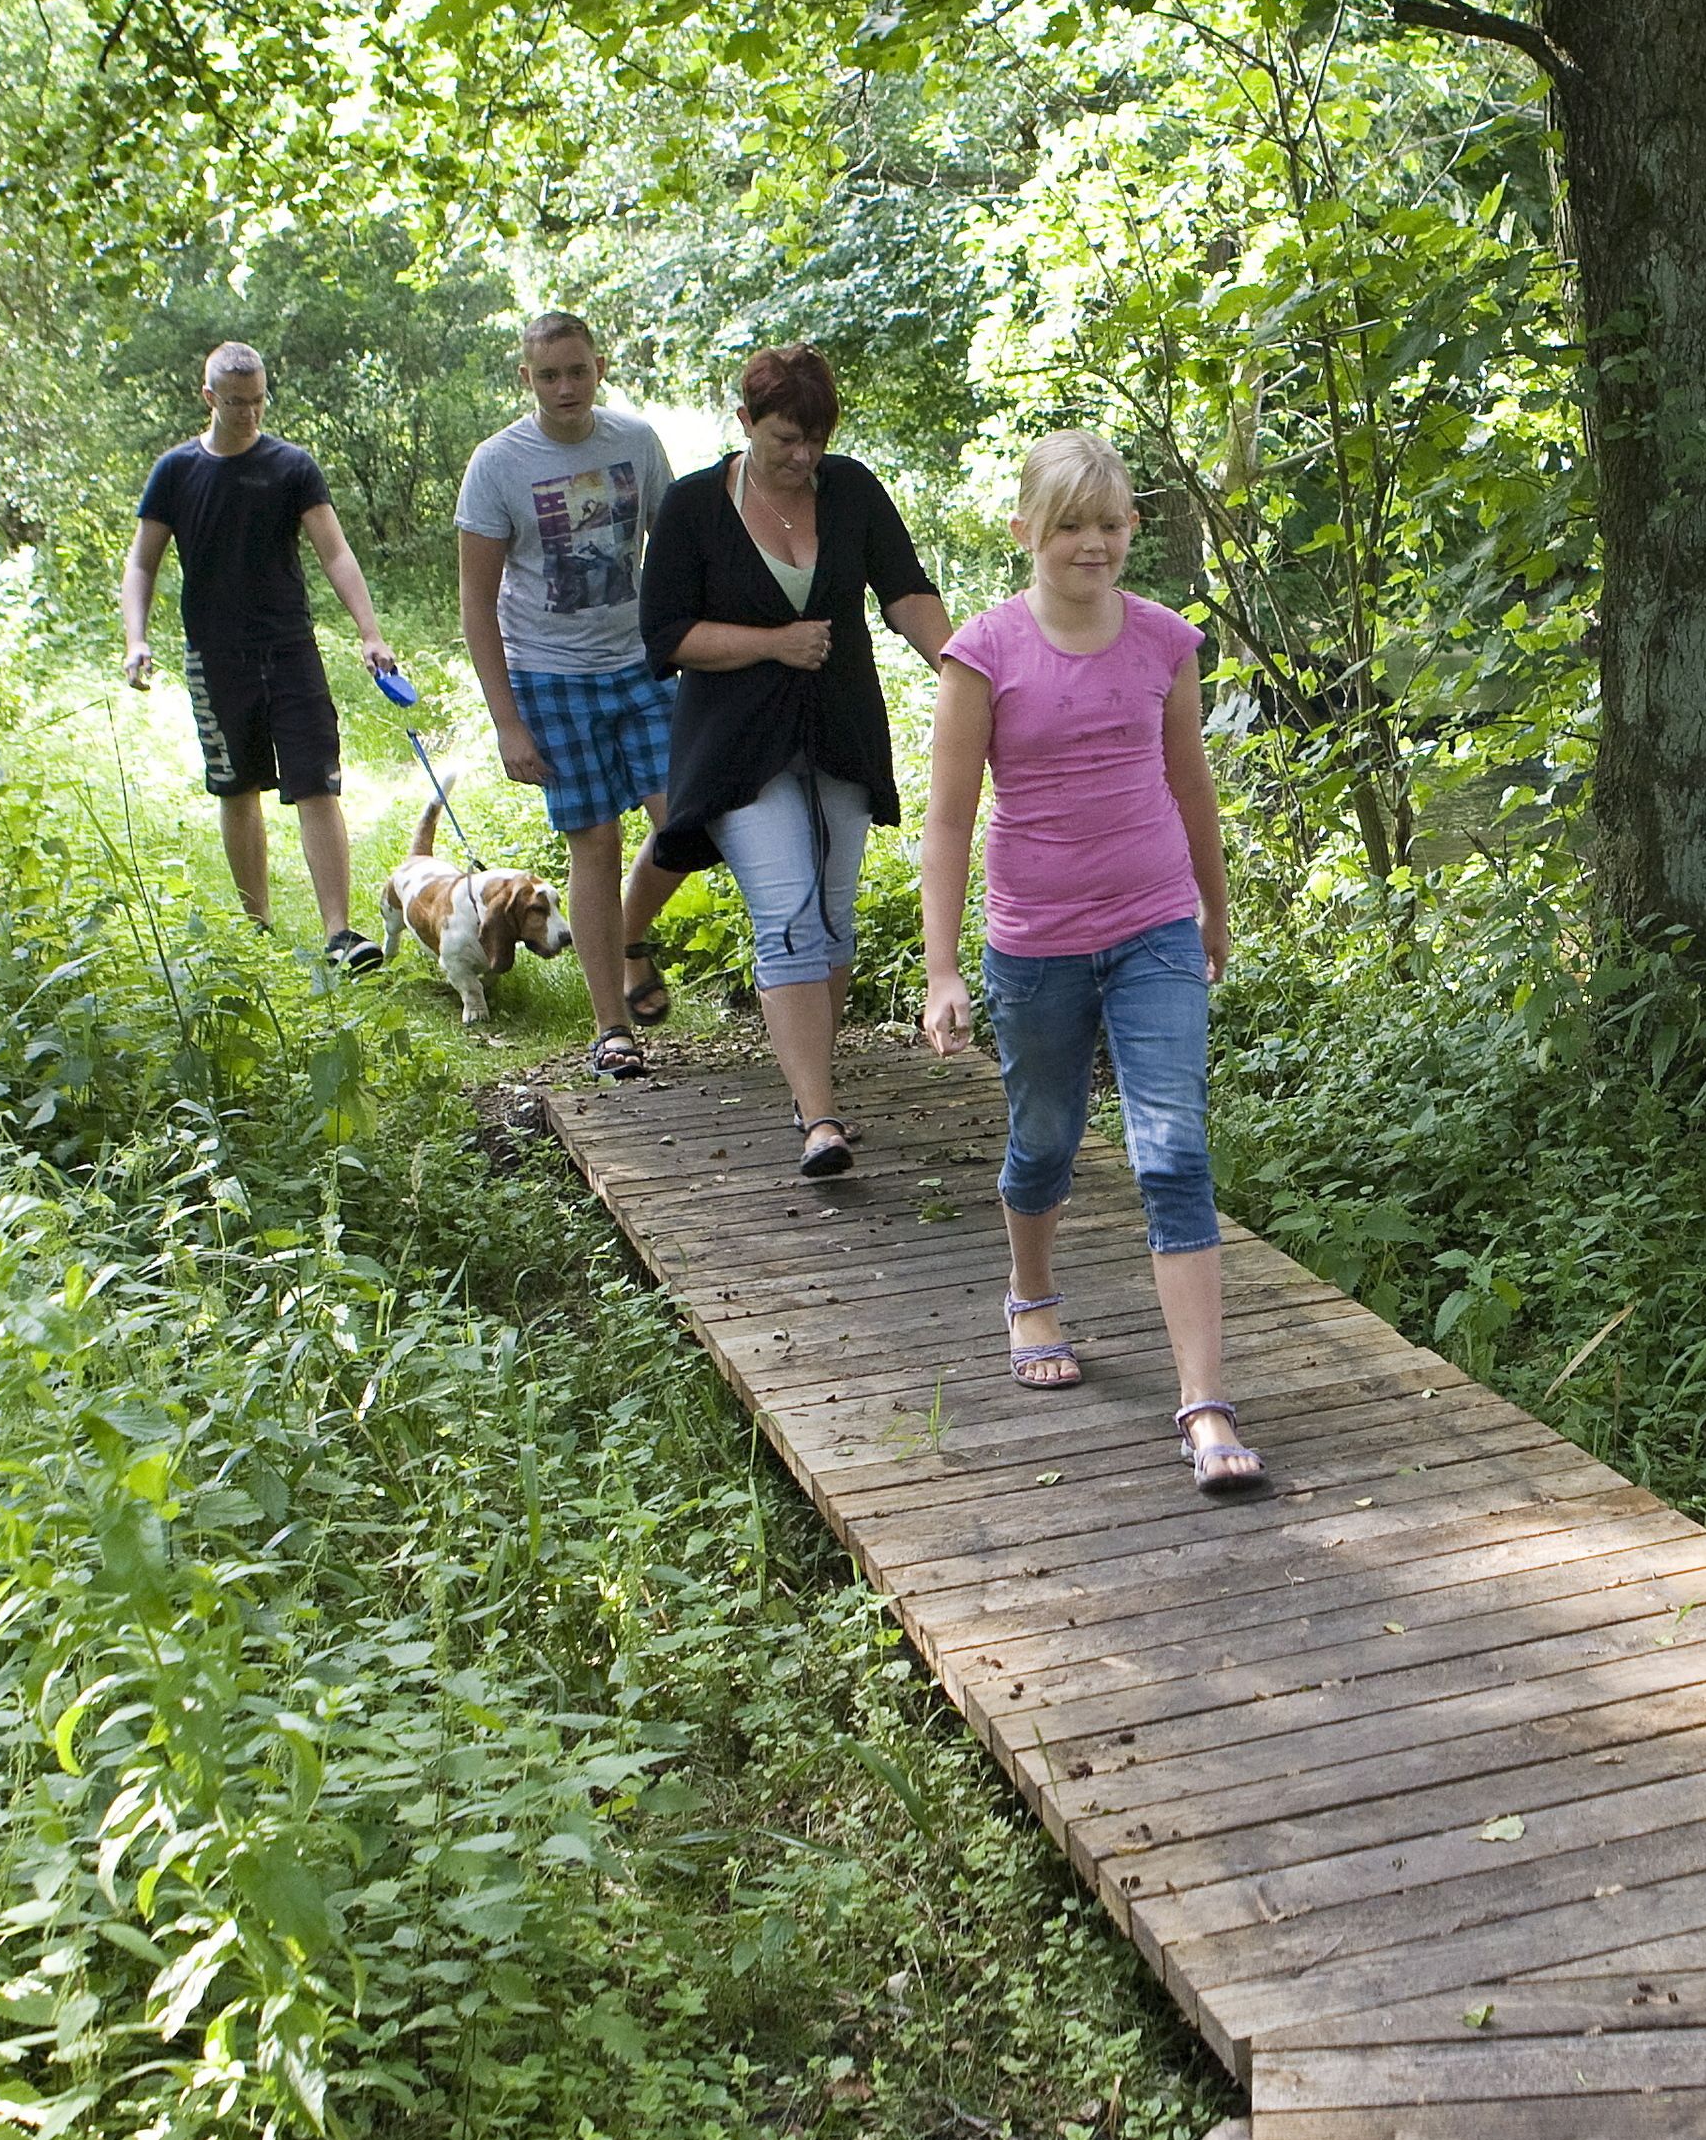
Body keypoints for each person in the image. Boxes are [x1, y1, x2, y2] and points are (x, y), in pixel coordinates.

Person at [918, 429, 1256, 1491]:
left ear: (1132, 530)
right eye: (1069, 526)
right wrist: (941, 969)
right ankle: (1030, 1290)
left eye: (1109, 524)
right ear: (1026, 531)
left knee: (1174, 1151)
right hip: (1037, 942)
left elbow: (1191, 782)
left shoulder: (1165, 640)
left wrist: (1213, 905)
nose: (1092, 544)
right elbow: (947, 819)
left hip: (1154, 923)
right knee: (1048, 1137)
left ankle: (1204, 1403)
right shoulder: (983, 652)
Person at [640, 345, 952, 1168]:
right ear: (744, 424)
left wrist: (964, 671)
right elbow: (667, 637)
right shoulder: (692, 507)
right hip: (737, 745)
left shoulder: (850, 490)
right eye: (784, 439)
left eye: (815, 439)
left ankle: (811, 1079)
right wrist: (774, 643)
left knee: (833, 919)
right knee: (786, 912)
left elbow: (906, 592)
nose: (803, 456)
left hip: (841, 734)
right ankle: (820, 1119)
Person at [120, 342, 403, 970]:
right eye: (235, 403)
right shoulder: (175, 472)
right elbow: (142, 561)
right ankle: (257, 929)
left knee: (316, 785)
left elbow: (336, 552)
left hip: (290, 648)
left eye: (257, 402)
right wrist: (135, 638)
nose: (248, 414)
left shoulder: (291, 466)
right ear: (209, 398)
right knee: (237, 787)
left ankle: (339, 933)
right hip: (215, 655)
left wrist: (370, 631)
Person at [456, 310, 680, 1083]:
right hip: (548, 674)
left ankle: (626, 937)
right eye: (548, 374)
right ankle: (611, 1029)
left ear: (599, 367)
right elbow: (475, 603)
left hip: (641, 660)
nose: (564, 387)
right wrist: (507, 723)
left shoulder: (635, 443)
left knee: (686, 823)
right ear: (527, 378)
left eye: (577, 371)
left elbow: (678, 548)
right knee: (595, 843)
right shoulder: (497, 464)